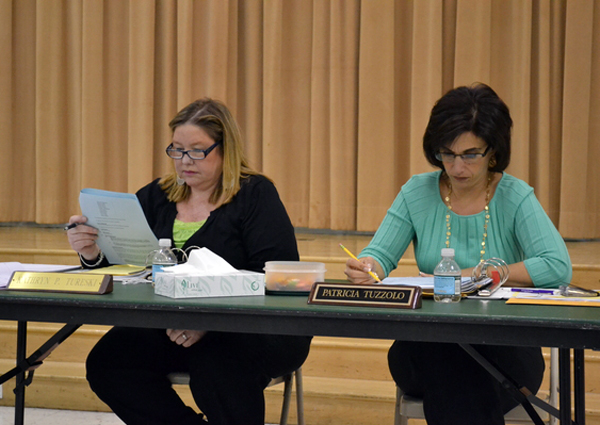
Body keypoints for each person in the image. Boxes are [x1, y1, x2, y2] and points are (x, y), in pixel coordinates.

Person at [67, 98, 312, 425]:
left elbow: (277, 278)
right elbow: (124, 268)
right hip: (171, 323)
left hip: (251, 328)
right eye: (177, 150)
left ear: (226, 149)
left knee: (217, 368)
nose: (184, 161)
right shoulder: (156, 196)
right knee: (109, 362)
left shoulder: (255, 195)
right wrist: (91, 253)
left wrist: (208, 320)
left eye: (197, 150)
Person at [345, 83, 572, 425]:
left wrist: (474, 275)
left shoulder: (514, 196)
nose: (456, 167)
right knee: (448, 356)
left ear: (493, 152)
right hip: (428, 344)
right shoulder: (417, 192)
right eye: (446, 154)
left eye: (469, 155)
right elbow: (379, 254)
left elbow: (556, 266)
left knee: (463, 370)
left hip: (504, 344)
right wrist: (366, 266)